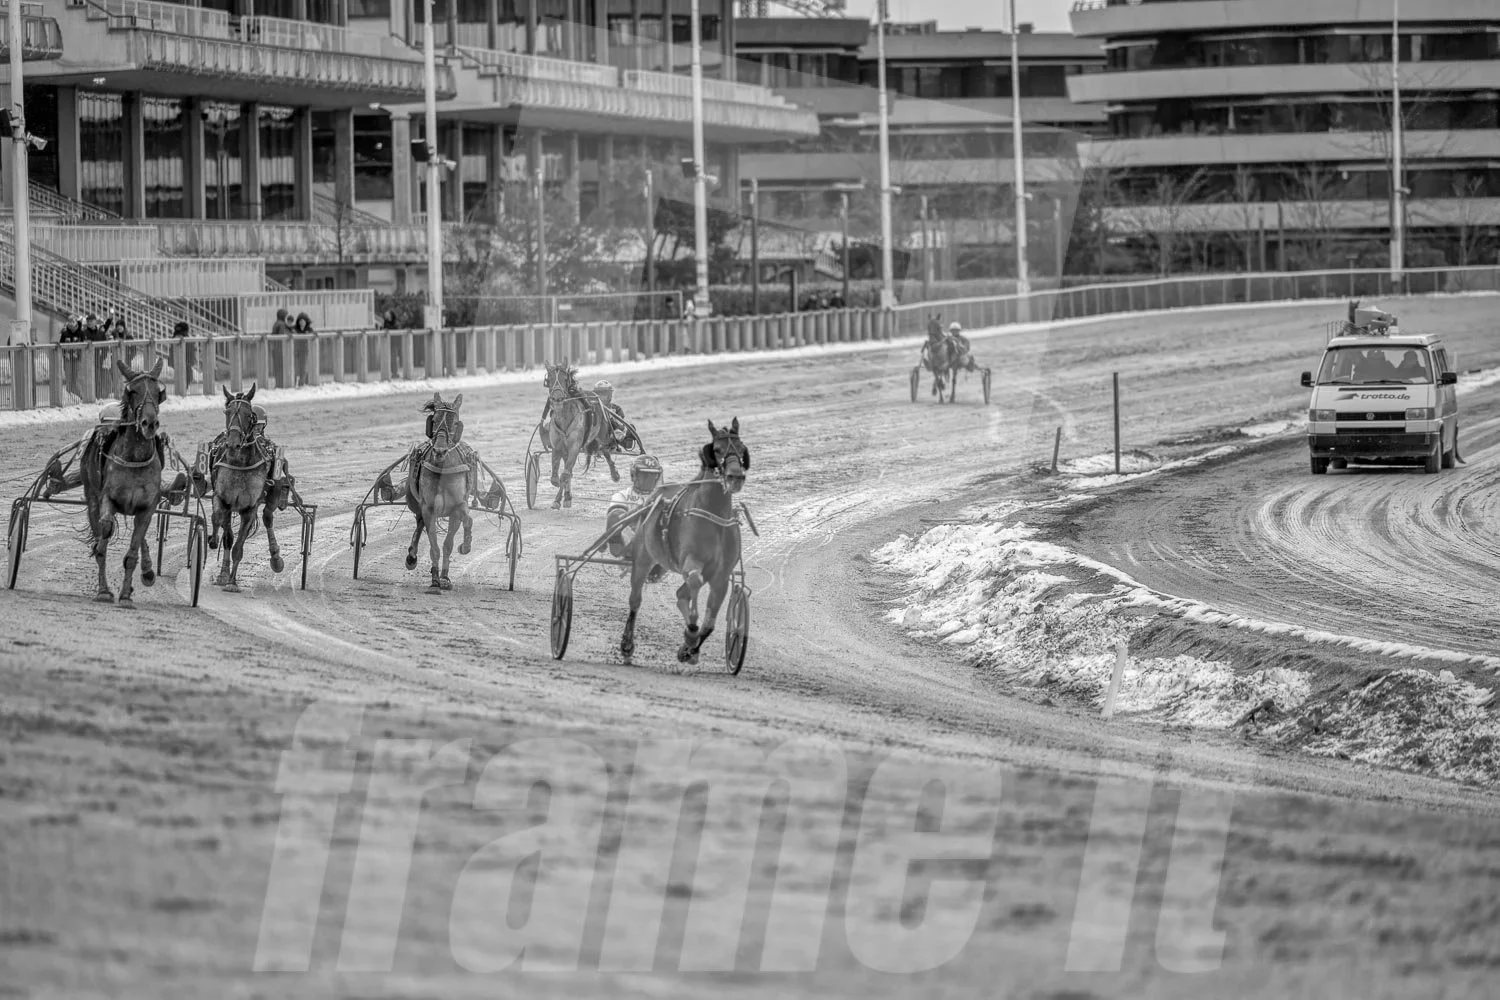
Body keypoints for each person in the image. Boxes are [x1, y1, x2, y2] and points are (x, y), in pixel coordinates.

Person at [376, 396, 501, 509]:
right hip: (431, 452)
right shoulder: (423, 448)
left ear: (458, 429)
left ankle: (485, 497)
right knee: (415, 465)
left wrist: (472, 457)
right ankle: (394, 492)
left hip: (457, 454)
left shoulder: (464, 449)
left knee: (471, 461)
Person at [606, 454, 663, 561]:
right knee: (613, 516)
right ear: (633, 475)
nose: (649, 480)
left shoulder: (662, 496)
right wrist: (642, 510)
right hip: (630, 541)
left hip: (658, 542)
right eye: (645, 476)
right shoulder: (622, 495)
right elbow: (615, 517)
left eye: (652, 476)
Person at [592, 379, 640, 451]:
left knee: (629, 428)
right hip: (595, 437)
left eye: (603, 394)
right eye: (599, 393)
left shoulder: (616, 408)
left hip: (612, 435)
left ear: (609, 395)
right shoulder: (592, 407)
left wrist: (611, 418)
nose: (601, 396)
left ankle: (615, 444)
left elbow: (621, 426)